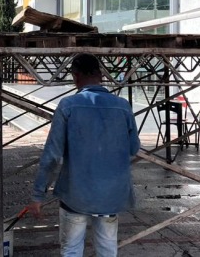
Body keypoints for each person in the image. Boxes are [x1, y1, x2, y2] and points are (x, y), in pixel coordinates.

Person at [28, 53, 140, 257]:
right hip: (111, 196)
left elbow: (53, 155)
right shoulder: (123, 106)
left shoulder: (68, 105)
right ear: (101, 76)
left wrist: (38, 195)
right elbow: (134, 148)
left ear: (75, 77)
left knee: (71, 250)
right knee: (107, 250)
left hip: (75, 196)